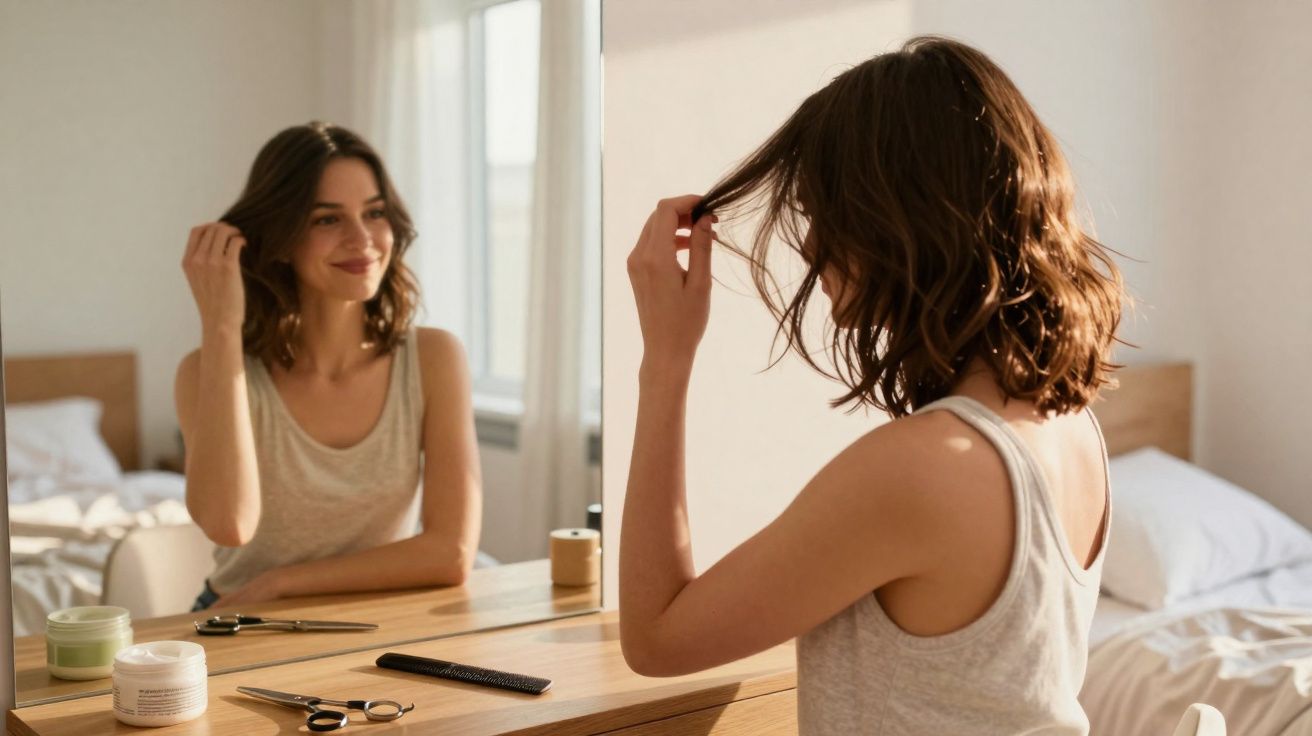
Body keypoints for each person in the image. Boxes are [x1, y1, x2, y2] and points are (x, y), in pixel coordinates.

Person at [620, 36, 1124, 734]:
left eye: (826, 211)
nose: (808, 244)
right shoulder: (1069, 426)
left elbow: (655, 639)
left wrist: (665, 362)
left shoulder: (924, 468)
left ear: (897, 219)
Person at [175, 122, 482, 611]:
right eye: (326, 219)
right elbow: (229, 523)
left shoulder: (434, 359)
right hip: (241, 620)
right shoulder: (207, 370)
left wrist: (279, 583)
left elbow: (452, 552)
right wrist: (221, 327)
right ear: (279, 236)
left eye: (374, 213)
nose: (362, 239)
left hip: (375, 620)